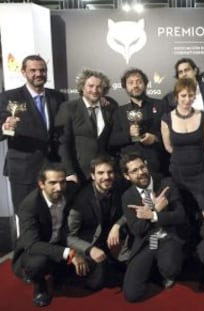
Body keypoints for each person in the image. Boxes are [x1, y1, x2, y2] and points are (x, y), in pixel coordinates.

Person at [0, 54, 65, 211]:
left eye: (42, 70)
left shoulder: (57, 97)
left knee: (52, 216)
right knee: (25, 216)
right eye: (33, 70)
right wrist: (5, 127)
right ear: (23, 72)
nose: (38, 74)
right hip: (23, 170)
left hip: (51, 170)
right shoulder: (9, 97)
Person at [12, 163, 82, 307]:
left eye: (62, 182)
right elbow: (32, 244)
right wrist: (69, 253)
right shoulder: (29, 206)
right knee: (39, 263)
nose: (59, 187)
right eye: (52, 183)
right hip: (33, 252)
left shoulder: (70, 189)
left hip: (59, 242)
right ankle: (40, 285)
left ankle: (59, 273)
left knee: (87, 276)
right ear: (41, 184)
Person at [120, 152, 185, 302]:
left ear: (146, 165)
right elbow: (137, 229)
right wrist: (155, 210)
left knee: (170, 269)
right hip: (147, 242)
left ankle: (163, 269)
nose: (141, 172)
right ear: (126, 176)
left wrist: (153, 216)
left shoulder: (166, 183)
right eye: (134, 171)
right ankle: (154, 268)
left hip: (167, 237)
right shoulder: (127, 196)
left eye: (142, 167)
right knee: (131, 295)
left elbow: (180, 216)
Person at [66, 155, 129, 290]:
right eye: (100, 173)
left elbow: (130, 210)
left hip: (112, 240)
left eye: (110, 172)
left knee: (131, 268)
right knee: (96, 283)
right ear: (93, 175)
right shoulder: (81, 199)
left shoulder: (120, 187)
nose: (106, 177)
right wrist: (89, 249)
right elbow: (68, 236)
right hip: (89, 243)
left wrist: (118, 225)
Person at [164, 58, 204, 192]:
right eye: (180, 72)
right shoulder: (169, 99)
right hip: (187, 159)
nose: (184, 74)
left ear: (195, 71)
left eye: (187, 70)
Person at [55, 69, 118, 184]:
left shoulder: (110, 108)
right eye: (90, 86)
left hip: (104, 175)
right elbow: (62, 143)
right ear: (82, 87)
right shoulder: (69, 107)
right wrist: (69, 172)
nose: (94, 90)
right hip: (78, 174)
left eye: (99, 87)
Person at [161, 78, 204, 217]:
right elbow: (168, 147)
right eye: (183, 95)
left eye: (191, 95)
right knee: (183, 213)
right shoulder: (166, 118)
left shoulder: (203, 116)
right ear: (176, 96)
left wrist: (196, 157)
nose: (187, 99)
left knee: (203, 211)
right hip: (178, 174)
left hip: (200, 173)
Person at [109, 68, 168, 174]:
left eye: (139, 82)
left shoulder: (161, 105)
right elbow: (112, 140)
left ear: (145, 84)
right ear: (125, 87)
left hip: (158, 165)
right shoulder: (119, 112)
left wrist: (155, 138)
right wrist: (129, 135)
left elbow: (173, 132)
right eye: (131, 83)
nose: (135, 85)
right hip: (131, 169)